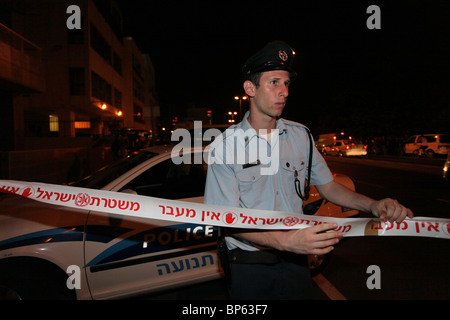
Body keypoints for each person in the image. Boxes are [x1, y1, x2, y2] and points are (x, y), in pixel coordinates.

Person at [204, 41, 414, 300]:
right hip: (250, 264)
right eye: (274, 83)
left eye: (287, 84)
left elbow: (328, 186)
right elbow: (224, 220)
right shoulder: (225, 146)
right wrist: (285, 242)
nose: (284, 92)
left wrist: (372, 205)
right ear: (250, 89)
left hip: (296, 259)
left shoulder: (300, 135)